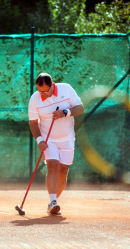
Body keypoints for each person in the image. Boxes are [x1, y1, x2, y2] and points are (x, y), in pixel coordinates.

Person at [28, 72, 84, 214]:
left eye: (46, 91)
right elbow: (33, 122)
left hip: (67, 138)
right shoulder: (35, 99)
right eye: (40, 91)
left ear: (52, 85)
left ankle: (53, 201)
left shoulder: (66, 89)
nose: (43, 94)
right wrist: (40, 140)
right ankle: (53, 201)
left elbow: (80, 108)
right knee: (53, 165)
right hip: (49, 140)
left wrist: (66, 112)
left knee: (63, 171)